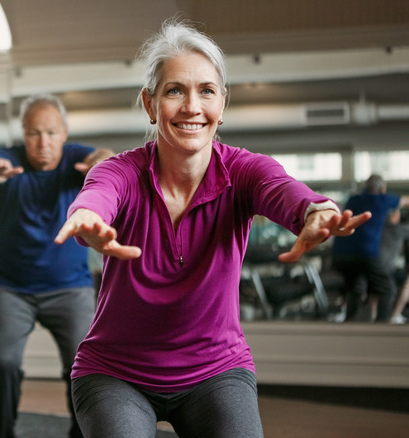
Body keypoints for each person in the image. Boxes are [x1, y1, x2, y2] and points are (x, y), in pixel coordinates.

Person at [53, 19, 369, 438]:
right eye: (174, 90)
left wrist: (317, 211)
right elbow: (99, 194)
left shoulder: (244, 170)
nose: (191, 106)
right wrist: (88, 218)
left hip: (216, 370)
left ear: (222, 103)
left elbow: (284, 190)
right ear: (150, 104)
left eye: (206, 90)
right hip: (116, 372)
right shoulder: (121, 171)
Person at [0, 94, 113, 438]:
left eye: (51, 133)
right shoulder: (10, 160)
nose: (43, 143)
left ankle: (79, 433)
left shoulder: (75, 158)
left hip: (68, 287)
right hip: (10, 288)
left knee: (83, 367)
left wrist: (100, 161)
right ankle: (2, 433)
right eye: (34, 133)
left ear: (64, 132)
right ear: (24, 133)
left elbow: (106, 158)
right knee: (4, 365)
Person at [331, 174, 409, 322]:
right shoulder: (381, 199)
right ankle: (382, 327)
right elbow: (405, 201)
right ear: (382, 189)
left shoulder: (353, 199)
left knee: (355, 288)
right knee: (387, 289)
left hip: (339, 254)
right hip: (364, 254)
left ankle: (350, 323)